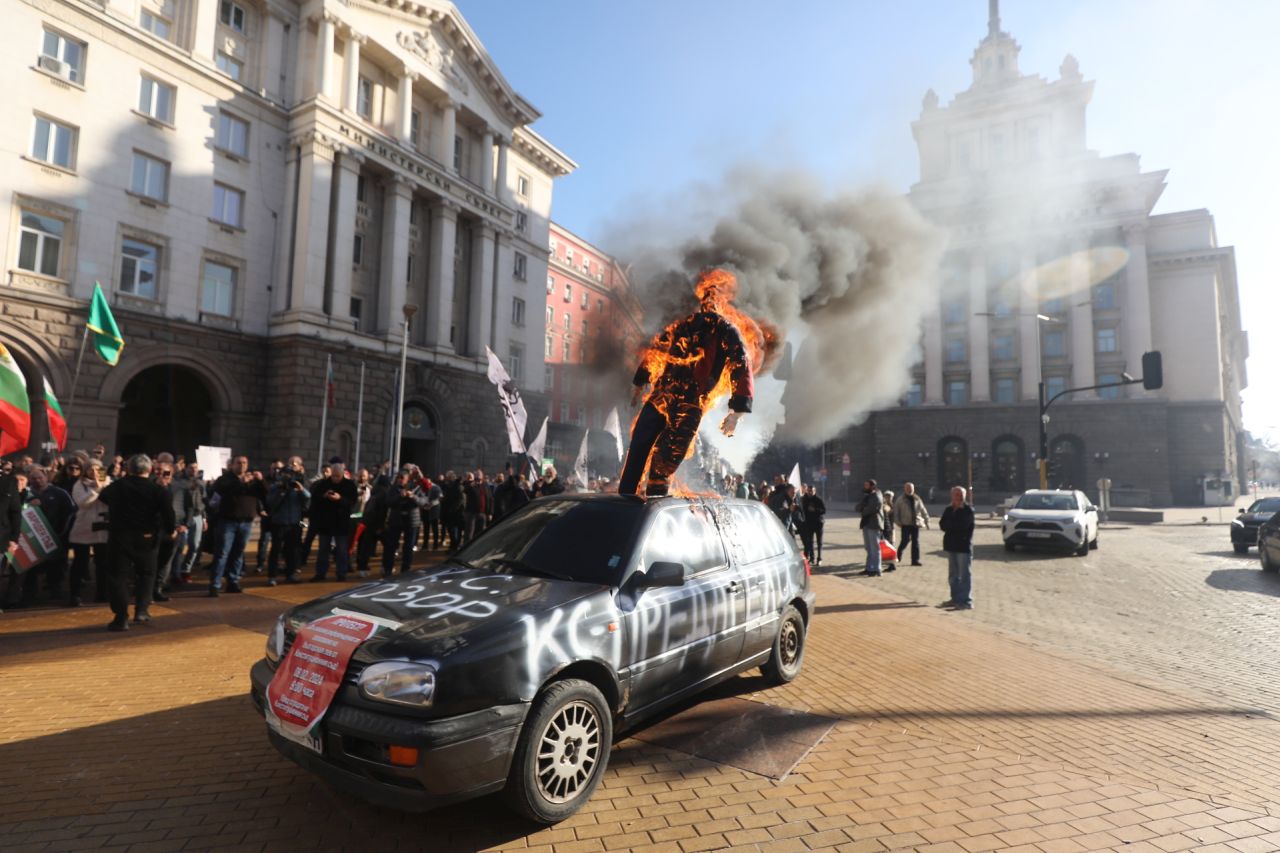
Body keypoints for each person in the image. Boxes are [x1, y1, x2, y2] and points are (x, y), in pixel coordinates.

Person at [618, 268, 755, 497]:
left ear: (722, 302)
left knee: (666, 460)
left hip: (691, 402)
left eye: (715, 296)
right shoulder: (683, 325)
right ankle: (624, 501)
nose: (709, 301)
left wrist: (737, 411)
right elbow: (657, 349)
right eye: (706, 296)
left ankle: (653, 500)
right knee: (639, 447)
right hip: (662, 395)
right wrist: (639, 382)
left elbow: (740, 364)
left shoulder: (726, 331)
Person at [98, 454, 176, 631]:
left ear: (130, 469)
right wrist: (170, 530)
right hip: (147, 537)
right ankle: (141, 610)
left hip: (120, 536)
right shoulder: (157, 490)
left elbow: (103, 497)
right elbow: (168, 514)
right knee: (147, 574)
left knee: (118, 576)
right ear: (149, 470)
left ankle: (121, 616)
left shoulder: (118, 486)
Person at [11, 466, 75, 607]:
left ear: (46, 477)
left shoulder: (59, 493)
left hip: (56, 536)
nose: (37, 481)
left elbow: (70, 512)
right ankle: (29, 595)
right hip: (33, 538)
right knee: (32, 568)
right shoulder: (25, 494)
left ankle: (55, 592)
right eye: (33, 478)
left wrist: (63, 532)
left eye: (40, 477)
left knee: (56, 567)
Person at [207, 455, 268, 596]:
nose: (242, 466)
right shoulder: (225, 479)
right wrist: (240, 483)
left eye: (245, 463)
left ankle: (233, 581)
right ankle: (215, 584)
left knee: (238, 553)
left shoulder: (252, 480)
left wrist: (261, 480)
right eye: (239, 463)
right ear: (232, 465)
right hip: (228, 521)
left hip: (246, 521)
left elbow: (266, 493)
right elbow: (220, 491)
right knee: (222, 553)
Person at [68, 459, 110, 606]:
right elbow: (83, 503)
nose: (94, 472)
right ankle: (75, 595)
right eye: (90, 469)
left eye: (97, 469)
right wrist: (96, 490)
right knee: (80, 563)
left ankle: (102, 593)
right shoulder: (79, 485)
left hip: (102, 528)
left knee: (103, 564)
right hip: (83, 528)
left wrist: (103, 487)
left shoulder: (109, 483)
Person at [309, 459, 356, 581]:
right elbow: (314, 499)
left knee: (341, 550)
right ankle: (320, 573)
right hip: (326, 522)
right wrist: (324, 496)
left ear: (342, 474)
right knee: (323, 549)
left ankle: (341, 573)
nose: (335, 478)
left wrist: (340, 498)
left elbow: (352, 502)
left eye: (338, 476)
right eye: (333, 476)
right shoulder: (323, 484)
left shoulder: (349, 485)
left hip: (341, 522)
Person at [265, 456, 309, 585]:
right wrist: (281, 491)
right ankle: (272, 576)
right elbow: (270, 502)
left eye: (290, 474)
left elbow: (308, 499)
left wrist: (301, 491)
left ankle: (291, 574)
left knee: (292, 550)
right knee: (276, 550)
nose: (287, 476)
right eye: (285, 474)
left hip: (294, 523)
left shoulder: (296, 486)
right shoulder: (276, 487)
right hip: (279, 522)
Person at [382, 469, 427, 578]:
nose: (400, 480)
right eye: (398, 478)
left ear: (407, 479)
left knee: (408, 547)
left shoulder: (415, 487)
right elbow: (388, 502)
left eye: (402, 478)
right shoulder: (393, 489)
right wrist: (399, 496)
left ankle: (406, 569)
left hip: (412, 520)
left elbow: (424, 501)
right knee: (391, 546)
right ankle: (388, 568)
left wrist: (413, 497)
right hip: (396, 520)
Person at [939, 486, 976, 610]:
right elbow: (942, 524)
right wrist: (951, 526)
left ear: (964, 496)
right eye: (956, 494)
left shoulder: (968, 510)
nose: (958, 497)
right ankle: (955, 599)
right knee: (953, 575)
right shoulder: (949, 509)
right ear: (952, 496)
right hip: (951, 546)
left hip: (963, 546)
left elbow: (963, 526)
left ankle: (966, 601)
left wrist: (951, 526)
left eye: (960, 495)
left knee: (964, 575)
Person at [893, 482, 930, 566]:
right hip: (905, 523)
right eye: (907, 488)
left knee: (915, 542)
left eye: (911, 488)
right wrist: (898, 522)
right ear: (905, 489)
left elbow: (923, 510)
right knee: (905, 540)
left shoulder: (917, 499)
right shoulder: (900, 499)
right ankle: (898, 554)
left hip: (915, 523)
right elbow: (896, 512)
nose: (909, 490)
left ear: (913, 489)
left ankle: (915, 560)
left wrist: (927, 520)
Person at [856, 479, 884, 577]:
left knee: (874, 548)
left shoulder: (876, 495)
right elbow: (858, 507)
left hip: (874, 524)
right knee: (868, 548)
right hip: (866, 524)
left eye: (867, 485)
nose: (865, 487)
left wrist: (863, 510)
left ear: (872, 486)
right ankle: (869, 568)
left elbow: (873, 508)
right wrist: (862, 508)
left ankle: (877, 569)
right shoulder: (867, 496)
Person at [798, 484, 826, 565]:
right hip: (809, 524)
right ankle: (812, 558)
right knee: (810, 542)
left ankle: (819, 558)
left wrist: (815, 510)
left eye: (812, 491)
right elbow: (801, 510)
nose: (810, 492)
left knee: (819, 542)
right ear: (807, 491)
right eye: (809, 491)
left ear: (815, 491)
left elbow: (823, 510)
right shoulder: (804, 499)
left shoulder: (818, 499)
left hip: (818, 523)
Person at [881, 489, 897, 572]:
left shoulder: (891, 506)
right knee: (887, 546)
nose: (888, 498)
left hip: (890, 529)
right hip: (886, 528)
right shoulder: (885, 505)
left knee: (890, 546)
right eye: (887, 496)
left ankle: (892, 565)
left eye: (890, 497)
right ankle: (889, 563)